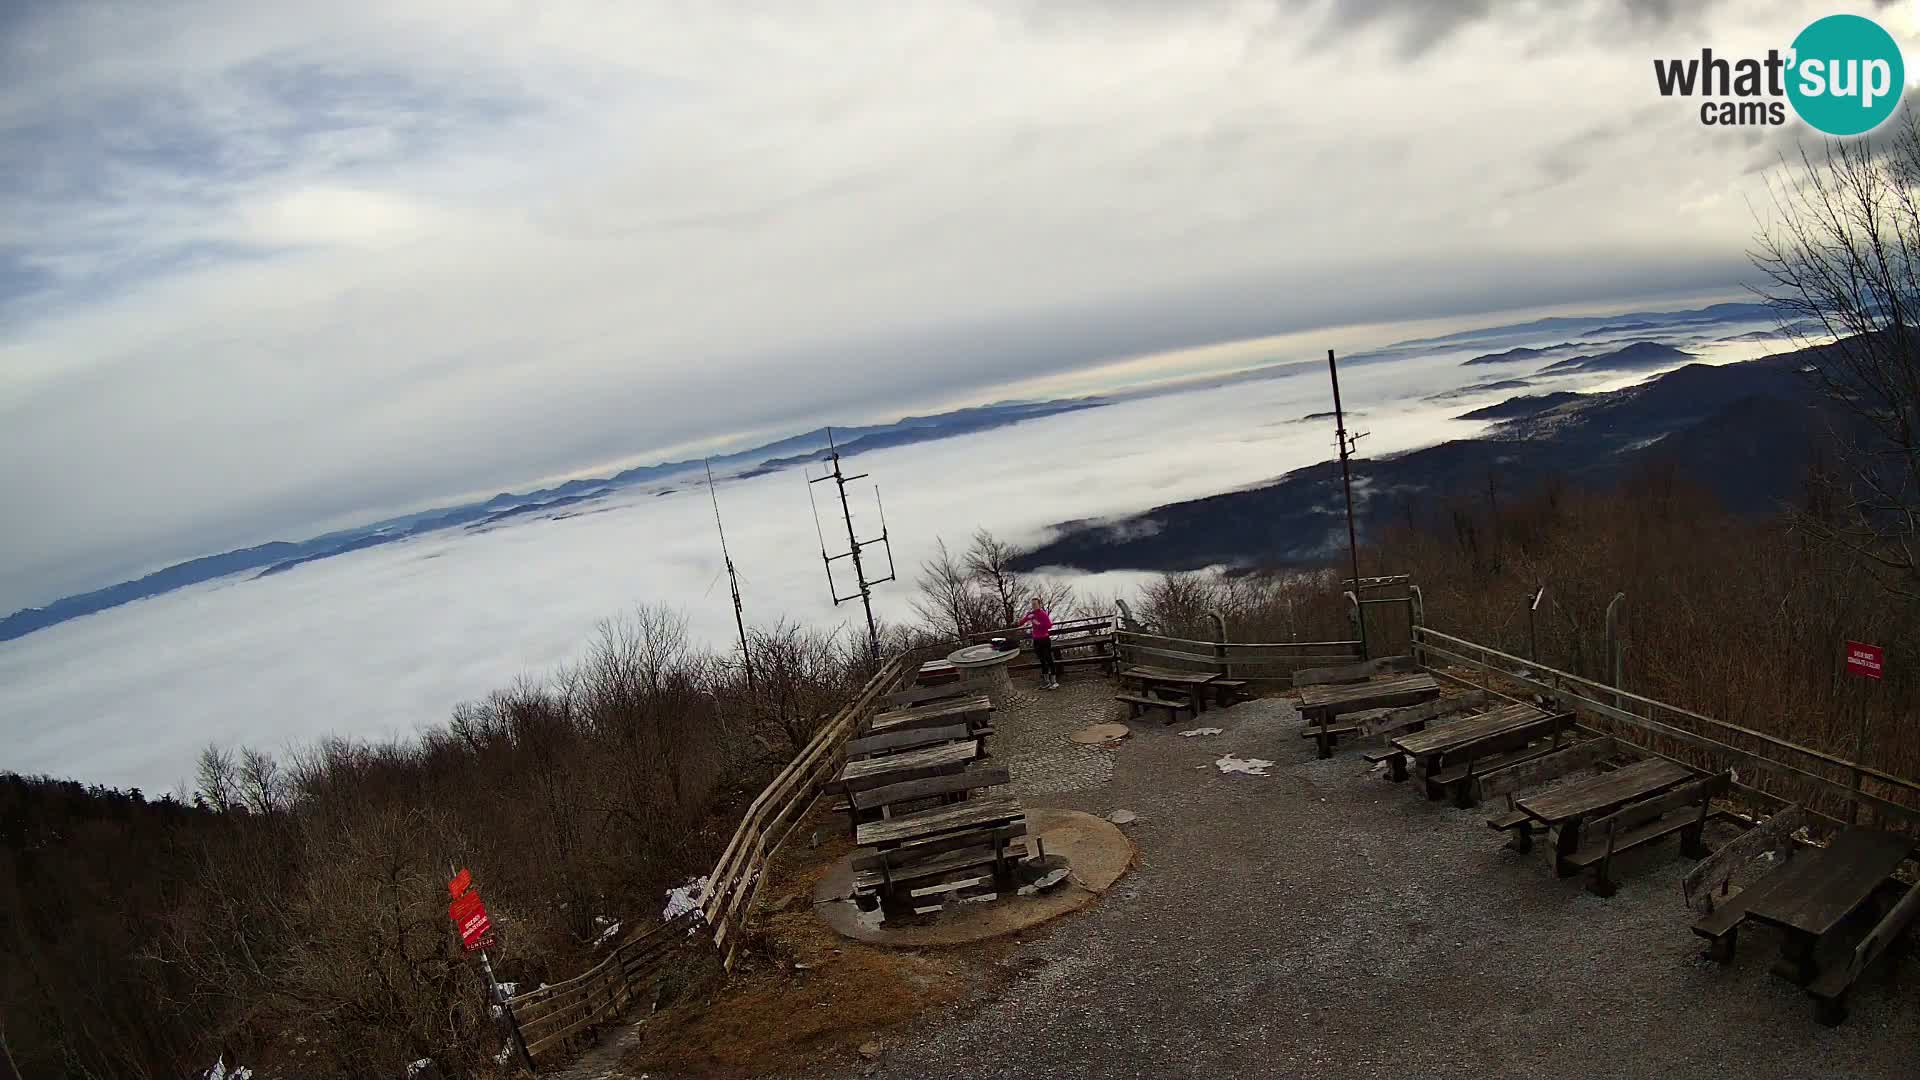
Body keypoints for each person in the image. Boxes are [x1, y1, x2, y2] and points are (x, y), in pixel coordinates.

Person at [1018, 596, 1058, 689]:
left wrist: (1038, 623)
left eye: (1035, 604)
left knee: (1049, 659)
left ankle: (1054, 681)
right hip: (1036, 640)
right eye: (1032, 604)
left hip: (1044, 639)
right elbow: (1021, 623)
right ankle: (1046, 681)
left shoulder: (1042, 614)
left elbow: (1049, 625)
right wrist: (1027, 617)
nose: (1034, 606)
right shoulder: (1031, 614)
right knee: (1042, 660)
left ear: (1039, 605)